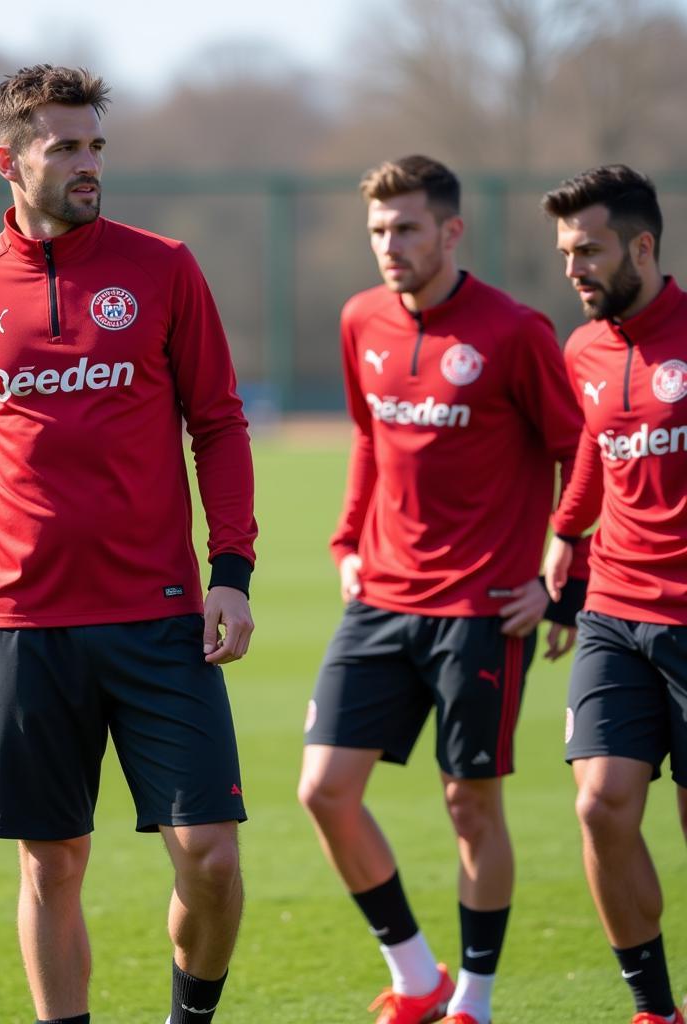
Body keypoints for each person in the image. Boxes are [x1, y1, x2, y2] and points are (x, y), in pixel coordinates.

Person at [0, 65, 257, 1024]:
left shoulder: (164, 266)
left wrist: (233, 570)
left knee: (211, 857)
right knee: (52, 862)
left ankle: (192, 1016)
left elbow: (217, 422)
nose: (90, 163)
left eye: (96, 144)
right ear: (9, 160)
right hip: (25, 623)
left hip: (161, 617)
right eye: (67, 147)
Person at [296, 155, 586, 1024]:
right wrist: (347, 539)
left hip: (481, 611)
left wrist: (562, 584)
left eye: (408, 228)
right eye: (379, 230)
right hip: (379, 598)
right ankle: (415, 975)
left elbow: (584, 456)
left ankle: (476, 999)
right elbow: (366, 436)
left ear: (451, 231)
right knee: (324, 792)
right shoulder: (360, 320)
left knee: (470, 804)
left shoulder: (515, 331)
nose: (391, 245)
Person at [542, 164, 686, 1024]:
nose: (574, 268)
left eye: (589, 250)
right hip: (615, 611)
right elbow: (597, 445)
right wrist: (567, 535)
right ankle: (653, 1010)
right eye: (565, 252)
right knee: (599, 804)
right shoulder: (583, 348)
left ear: (642, 245)